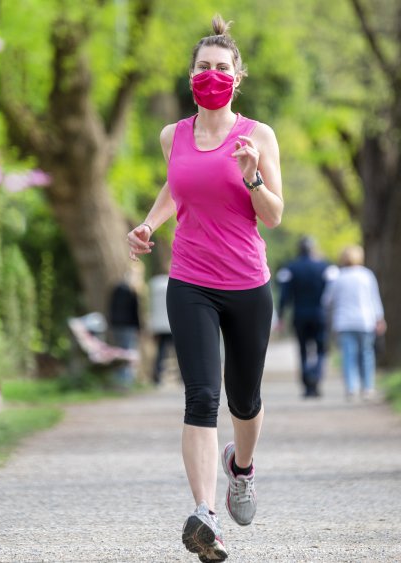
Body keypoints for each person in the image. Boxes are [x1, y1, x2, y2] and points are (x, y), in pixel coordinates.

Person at [125, 14, 283, 563]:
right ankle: (204, 515)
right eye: (203, 67)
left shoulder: (257, 136)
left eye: (221, 68)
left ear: (237, 77)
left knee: (246, 398)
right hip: (190, 280)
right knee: (201, 396)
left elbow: (275, 216)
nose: (211, 74)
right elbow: (176, 187)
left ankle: (240, 468)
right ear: (190, 74)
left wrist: (252, 176)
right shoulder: (174, 135)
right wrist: (148, 224)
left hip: (247, 283)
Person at [276, 236, 339, 398]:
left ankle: (307, 385)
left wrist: (281, 315)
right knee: (321, 350)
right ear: (313, 248)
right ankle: (316, 378)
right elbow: (332, 294)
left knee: (303, 350)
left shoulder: (291, 268)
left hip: (300, 314)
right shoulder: (325, 267)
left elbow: (285, 294)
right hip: (320, 315)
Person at [321, 245, 386, 401]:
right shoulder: (367, 275)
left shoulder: (338, 277)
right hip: (365, 321)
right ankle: (368, 388)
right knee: (367, 354)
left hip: (344, 322)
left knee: (348, 356)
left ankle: (351, 388)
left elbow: (326, 301)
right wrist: (380, 318)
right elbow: (374, 298)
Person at [108, 268, 141, 390]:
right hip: (128, 326)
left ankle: (121, 379)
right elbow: (134, 312)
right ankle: (126, 380)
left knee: (120, 351)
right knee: (127, 352)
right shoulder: (132, 291)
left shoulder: (116, 288)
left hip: (117, 325)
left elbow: (111, 307)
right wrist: (138, 328)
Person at [147, 267, 175, 386]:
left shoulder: (154, 285)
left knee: (161, 351)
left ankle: (157, 376)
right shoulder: (173, 283)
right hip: (172, 323)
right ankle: (184, 377)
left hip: (159, 325)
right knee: (179, 352)